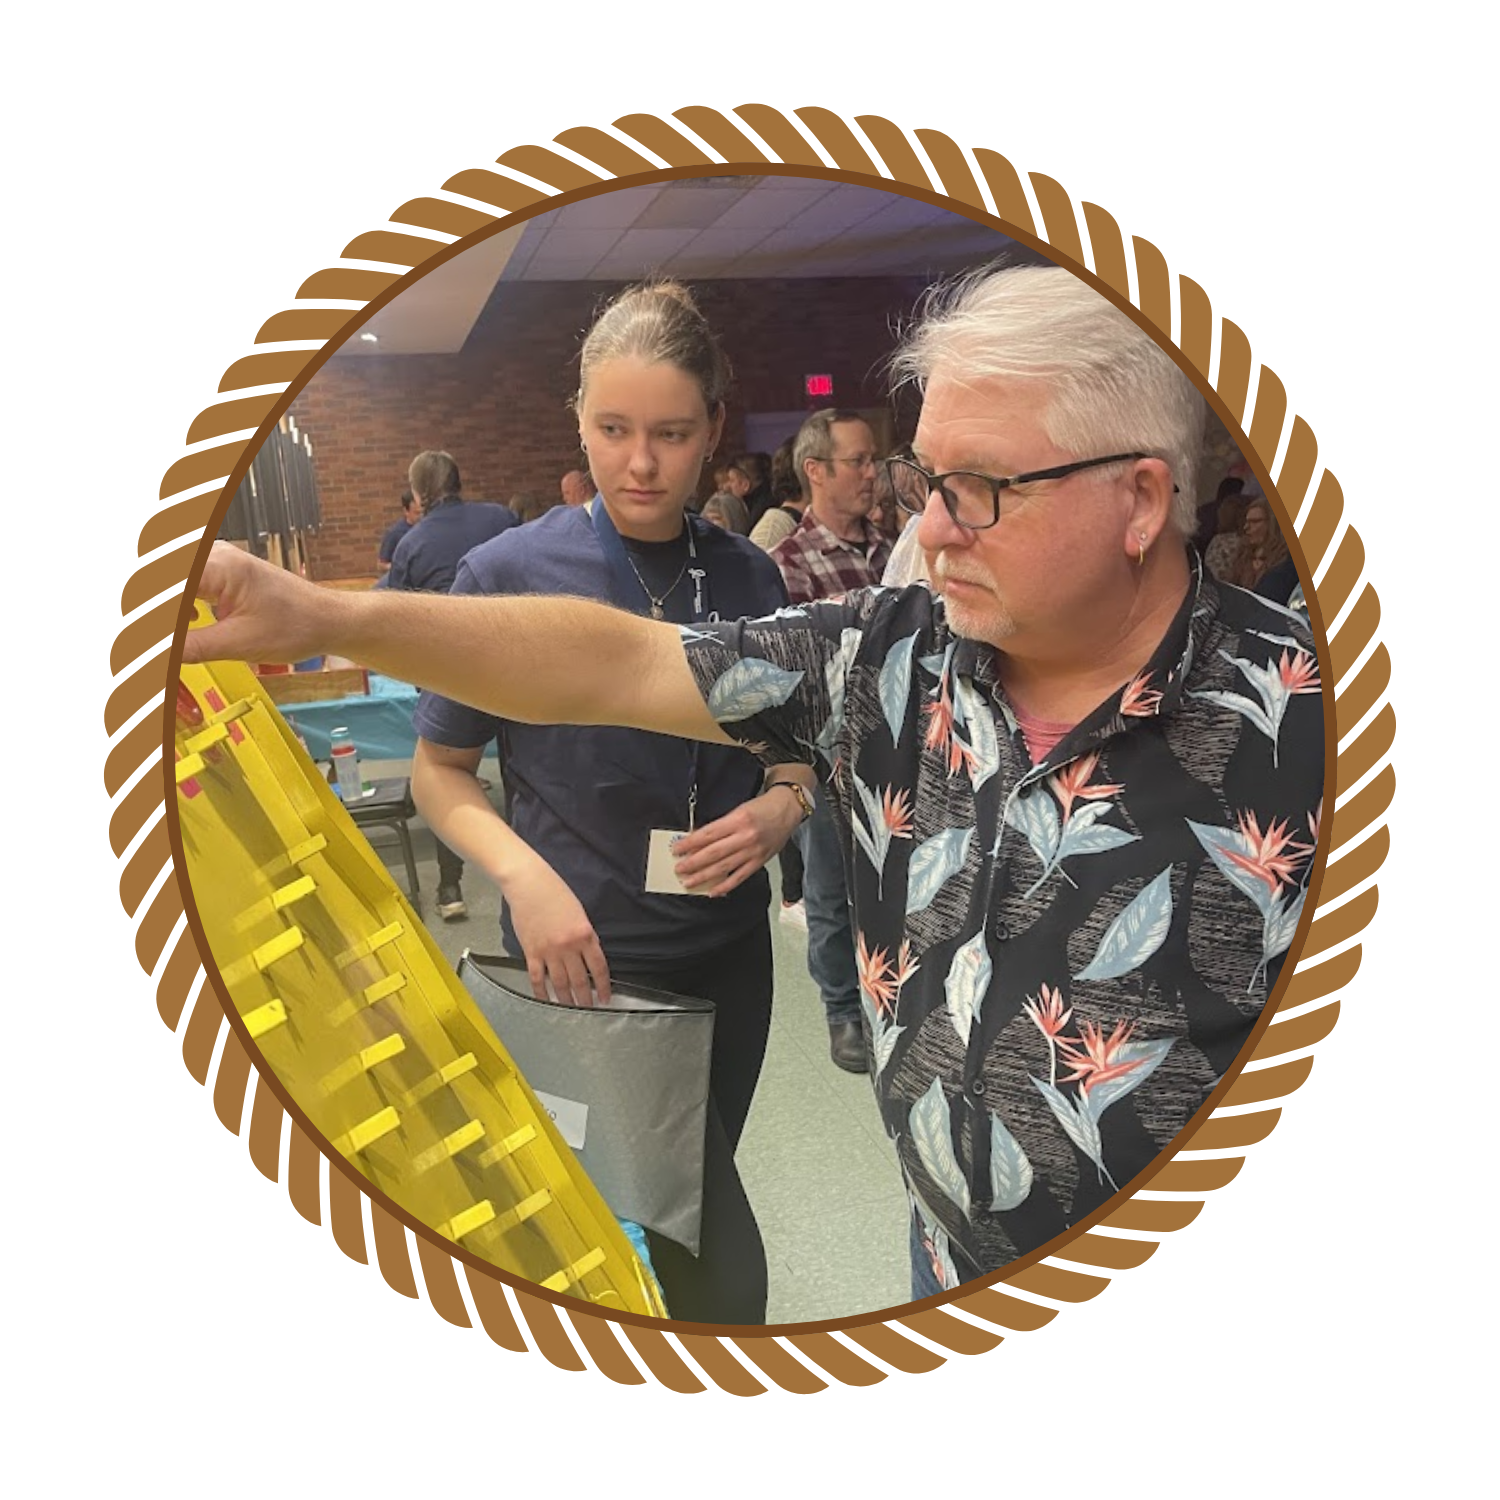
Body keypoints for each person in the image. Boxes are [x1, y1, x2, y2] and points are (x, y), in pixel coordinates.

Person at [185, 262, 1325, 1299]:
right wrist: (323, 614)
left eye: (977, 488)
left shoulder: (1305, 732)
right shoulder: (892, 652)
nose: (926, 531)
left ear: (1138, 499)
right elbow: (619, 660)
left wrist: (777, 804)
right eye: (922, 479)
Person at [406, 282, 807, 1324]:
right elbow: (438, 774)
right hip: (587, 963)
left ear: (715, 431)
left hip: (728, 952)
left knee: (665, 1215)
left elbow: (797, 756)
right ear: (577, 420)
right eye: (614, 429)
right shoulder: (505, 576)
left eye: (672, 434)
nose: (641, 463)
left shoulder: (752, 577)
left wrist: (782, 809)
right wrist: (522, 879)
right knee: (715, 1263)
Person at [768, 408, 893, 1073]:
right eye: (859, 461)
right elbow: (793, 677)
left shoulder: (893, 549)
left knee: (894, 889)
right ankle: (842, 1011)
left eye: (875, 460)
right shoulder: (787, 564)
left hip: (902, 755)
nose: (873, 473)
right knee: (831, 892)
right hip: (831, 759)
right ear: (816, 471)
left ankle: (891, 999)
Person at [386, 451, 519, 918]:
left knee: (446, 772)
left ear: (419, 495)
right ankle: (536, 877)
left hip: (448, 673)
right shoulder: (502, 517)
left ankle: (450, 889)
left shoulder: (411, 543)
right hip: (518, 663)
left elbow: (398, 619)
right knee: (524, 772)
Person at [376, 489, 421, 574]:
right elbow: (381, 564)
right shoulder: (395, 533)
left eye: (422, 512)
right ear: (406, 511)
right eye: (416, 513)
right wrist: (400, 567)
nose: (420, 516)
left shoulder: (426, 529)